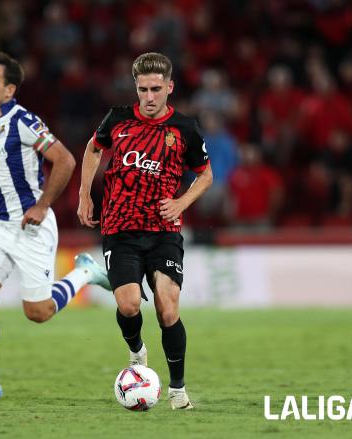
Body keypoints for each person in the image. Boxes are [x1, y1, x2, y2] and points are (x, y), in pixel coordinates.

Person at [0, 52, 110, 399]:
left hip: (30, 226)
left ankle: (85, 273)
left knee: (39, 312)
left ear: (10, 89)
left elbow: (65, 160)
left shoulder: (24, 122)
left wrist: (42, 206)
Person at [78, 52, 213, 410]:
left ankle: (178, 390)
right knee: (128, 303)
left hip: (163, 230)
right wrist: (84, 194)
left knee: (168, 310)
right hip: (120, 227)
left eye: (156, 89)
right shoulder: (118, 119)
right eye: (143, 90)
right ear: (135, 88)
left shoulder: (185, 128)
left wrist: (182, 203)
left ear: (170, 87)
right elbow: (94, 148)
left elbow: (206, 175)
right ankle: (137, 351)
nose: (149, 97)